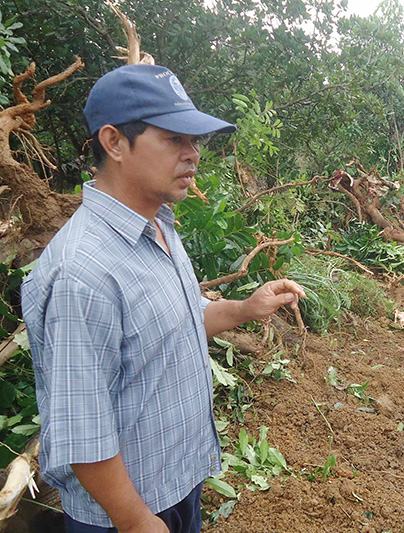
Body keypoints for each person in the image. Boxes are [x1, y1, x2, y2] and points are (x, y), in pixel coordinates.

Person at [21, 64, 306, 533]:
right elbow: (82, 428)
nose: (193, 154)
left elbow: (183, 318)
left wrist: (244, 309)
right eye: (174, 138)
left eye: (195, 141)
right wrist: (135, 521)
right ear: (114, 142)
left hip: (175, 483)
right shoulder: (83, 273)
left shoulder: (159, 227)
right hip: (123, 514)